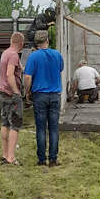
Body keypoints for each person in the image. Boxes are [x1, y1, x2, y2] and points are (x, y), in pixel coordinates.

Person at [24, 29, 64, 167]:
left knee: (41, 128)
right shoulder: (57, 55)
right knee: (53, 128)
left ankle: (41, 159)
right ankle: (53, 159)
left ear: (36, 43)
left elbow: (28, 77)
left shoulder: (33, 57)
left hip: (39, 96)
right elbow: (60, 69)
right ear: (47, 40)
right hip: (54, 95)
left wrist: (26, 92)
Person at [0, 31, 24, 165]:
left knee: (5, 123)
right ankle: (11, 157)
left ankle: (5, 154)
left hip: (2, 92)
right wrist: (16, 92)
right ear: (21, 43)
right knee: (15, 124)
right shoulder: (14, 55)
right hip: (10, 94)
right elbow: (9, 74)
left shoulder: (5, 53)